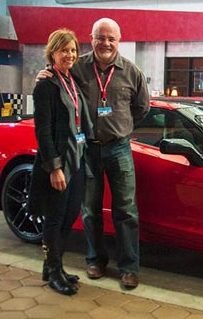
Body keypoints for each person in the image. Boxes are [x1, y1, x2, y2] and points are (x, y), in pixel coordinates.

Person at [38, 18, 150, 289]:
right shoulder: (77, 66)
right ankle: (95, 260)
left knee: (126, 210)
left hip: (119, 147)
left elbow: (142, 107)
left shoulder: (131, 71)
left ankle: (128, 267)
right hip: (85, 149)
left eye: (111, 38)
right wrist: (44, 73)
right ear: (91, 38)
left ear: (119, 40)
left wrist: (120, 126)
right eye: (101, 37)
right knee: (89, 210)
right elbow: (58, 80)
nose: (106, 43)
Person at [29, 28, 93, 296]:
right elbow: (42, 130)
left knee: (69, 216)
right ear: (52, 52)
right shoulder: (46, 85)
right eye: (64, 50)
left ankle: (53, 265)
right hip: (57, 164)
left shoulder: (71, 81)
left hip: (76, 158)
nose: (69, 54)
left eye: (73, 50)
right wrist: (54, 167)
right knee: (54, 219)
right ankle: (54, 272)